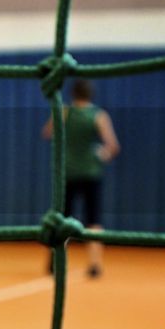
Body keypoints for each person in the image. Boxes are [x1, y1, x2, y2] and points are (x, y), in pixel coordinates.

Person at [42, 78, 120, 278]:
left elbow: (48, 133)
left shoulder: (64, 112)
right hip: (91, 173)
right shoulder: (99, 115)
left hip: (67, 173)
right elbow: (112, 147)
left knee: (60, 219)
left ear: (72, 93)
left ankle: (55, 261)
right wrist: (100, 154)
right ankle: (94, 264)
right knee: (93, 221)